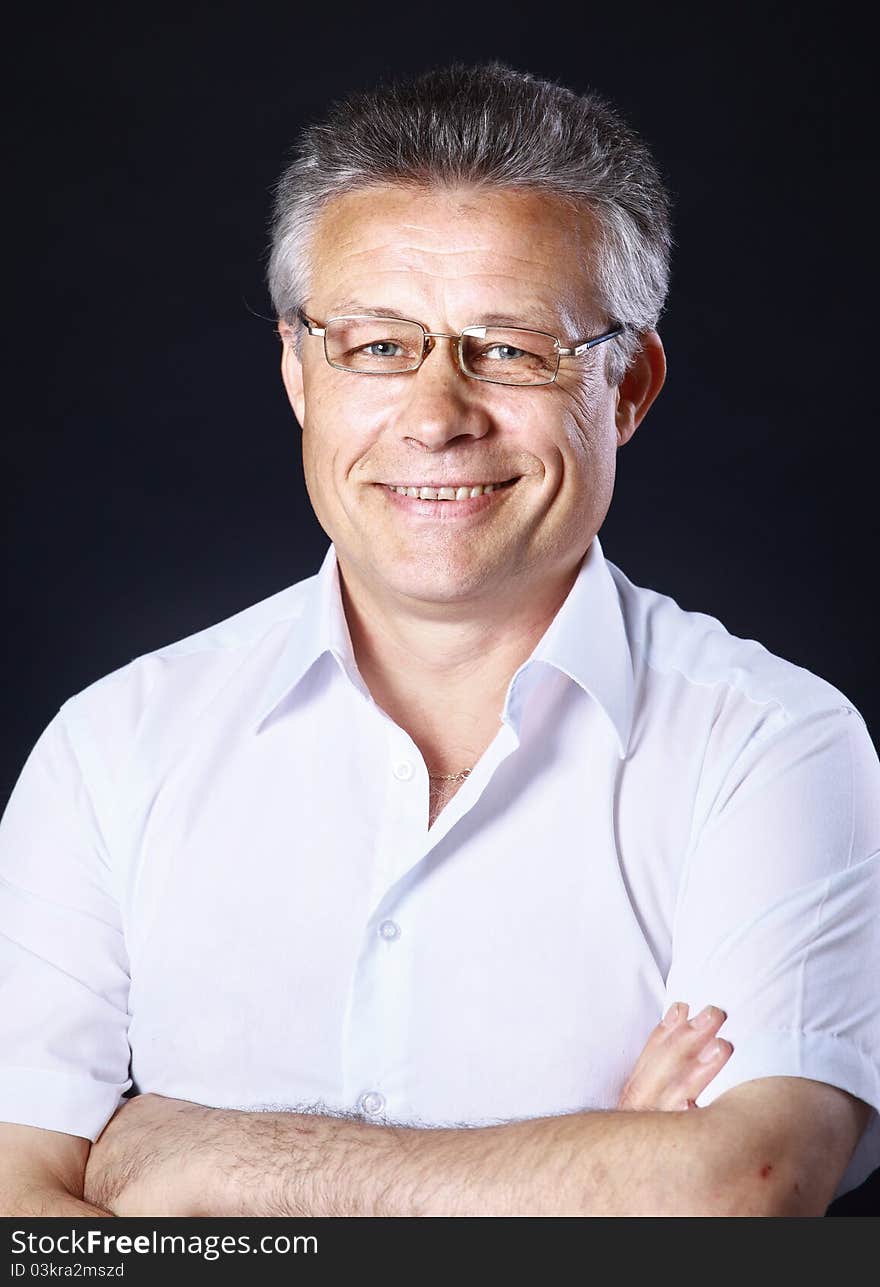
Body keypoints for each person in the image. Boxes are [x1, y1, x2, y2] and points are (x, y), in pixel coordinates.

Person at [2, 63, 878, 1218]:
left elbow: (738, 1191)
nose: (436, 415)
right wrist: (602, 1170)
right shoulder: (115, 744)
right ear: (296, 371)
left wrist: (207, 1165)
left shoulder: (776, 746)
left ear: (628, 387)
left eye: (511, 349)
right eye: (376, 347)